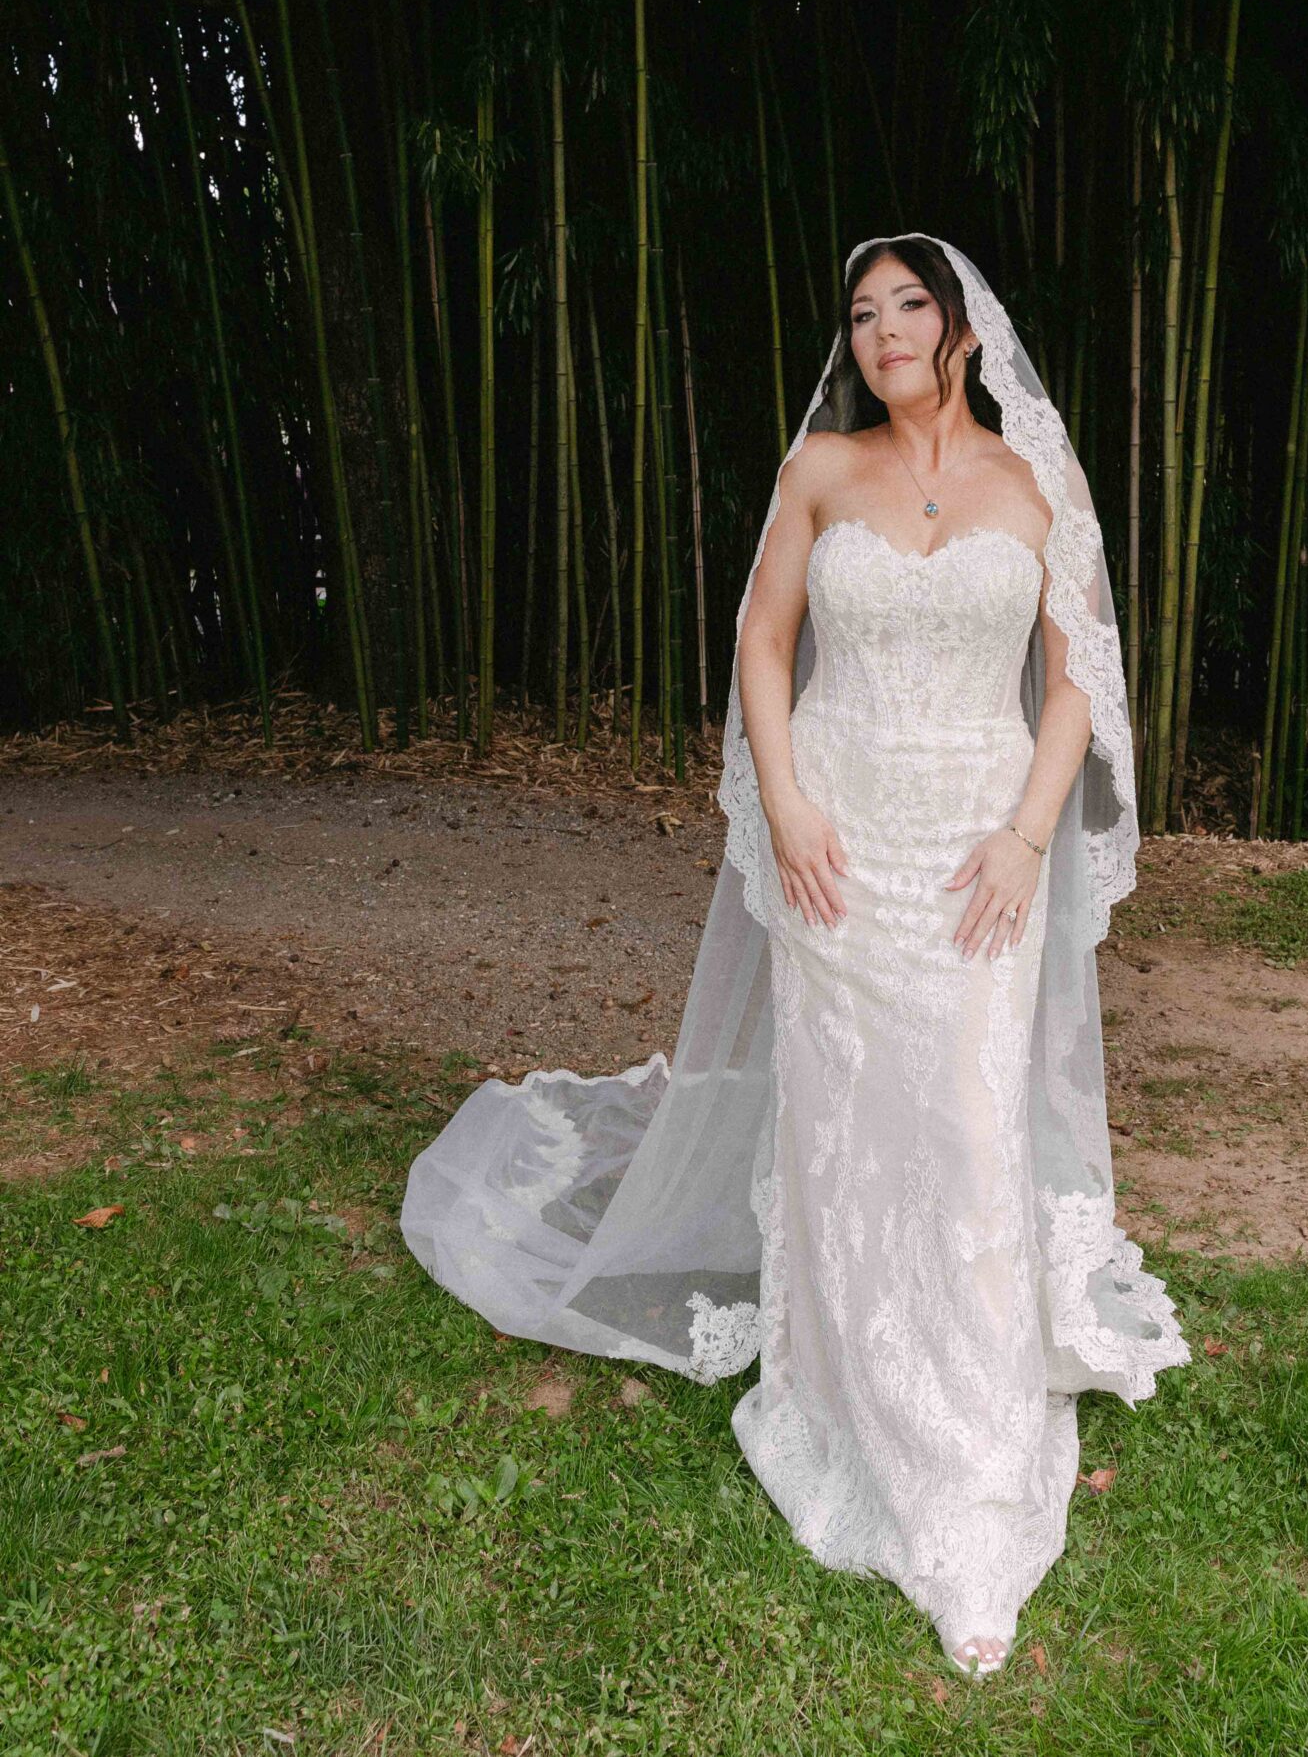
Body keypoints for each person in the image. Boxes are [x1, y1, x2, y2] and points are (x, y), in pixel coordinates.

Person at [400, 232, 1190, 1683]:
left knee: (966, 1124)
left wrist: (1029, 835)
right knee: (846, 1120)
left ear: (962, 331)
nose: (884, 331)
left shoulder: (1038, 484)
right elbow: (766, 640)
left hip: (977, 849)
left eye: (909, 306)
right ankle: (839, 1381)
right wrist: (783, 798)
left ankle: (969, 1463)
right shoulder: (821, 469)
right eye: (862, 312)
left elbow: (1079, 676)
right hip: (841, 836)